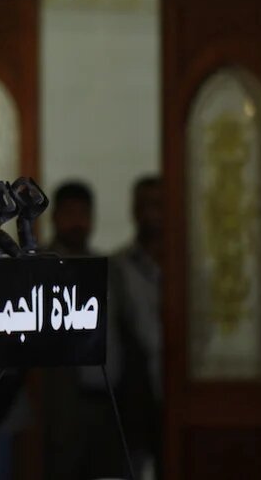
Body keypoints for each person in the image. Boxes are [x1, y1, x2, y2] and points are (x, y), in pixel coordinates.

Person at [42, 180, 126, 479]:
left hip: (108, 401)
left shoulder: (110, 268)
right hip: (61, 406)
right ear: (55, 218)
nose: (77, 222)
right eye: (70, 214)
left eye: (84, 214)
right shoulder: (40, 267)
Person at [110, 175, 163, 478]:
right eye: (144, 205)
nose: (151, 213)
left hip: (179, 385)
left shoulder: (188, 263)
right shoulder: (120, 265)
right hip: (135, 393)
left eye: (158, 205)